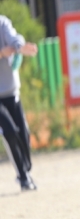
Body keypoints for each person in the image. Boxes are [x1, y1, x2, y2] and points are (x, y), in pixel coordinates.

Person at [0, 15, 38, 191]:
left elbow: (14, 37)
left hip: (11, 91)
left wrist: (20, 47)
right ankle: (23, 177)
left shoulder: (2, 22)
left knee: (23, 133)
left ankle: (26, 169)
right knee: (9, 131)